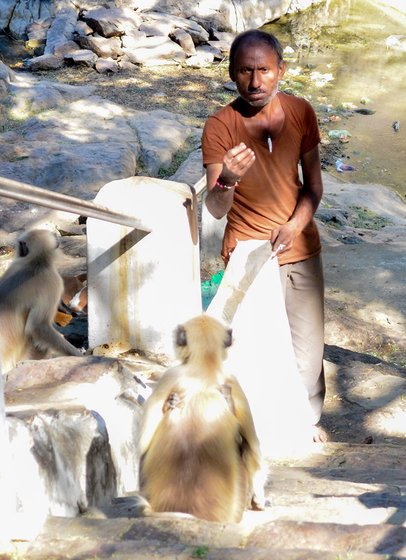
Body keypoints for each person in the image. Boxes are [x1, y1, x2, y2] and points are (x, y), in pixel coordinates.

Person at [201, 29, 326, 442]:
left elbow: (314, 187)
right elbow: (216, 208)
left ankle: (305, 426)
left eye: (264, 71)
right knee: (252, 353)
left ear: (280, 71)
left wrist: (294, 226)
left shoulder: (302, 112)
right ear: (233, 74)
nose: (255, 82)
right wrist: (229, 180)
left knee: (308, 357)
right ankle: (250, 434)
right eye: (245, 72)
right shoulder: (220, 126)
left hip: (300, 248)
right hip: (247, 256)